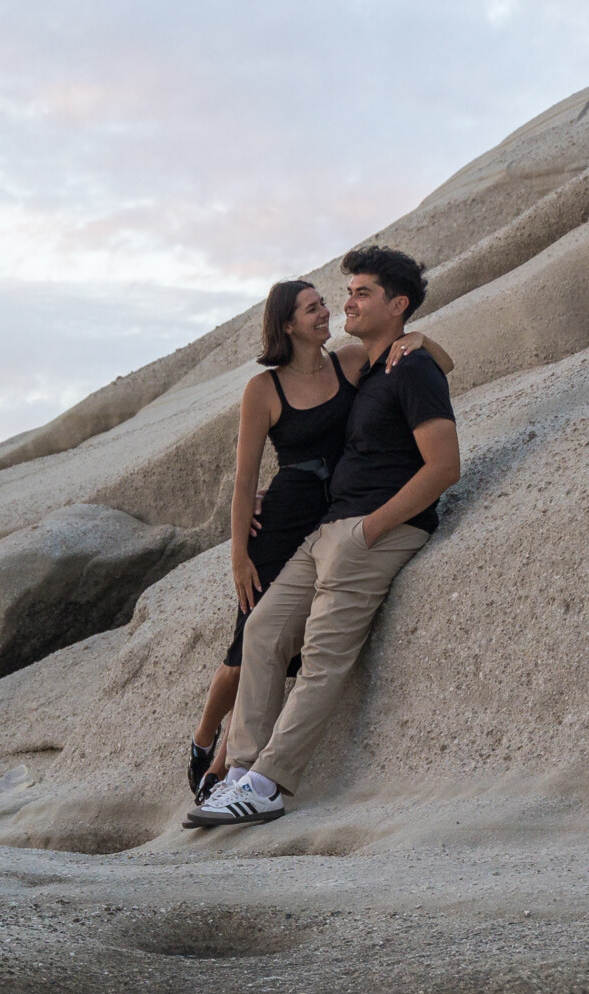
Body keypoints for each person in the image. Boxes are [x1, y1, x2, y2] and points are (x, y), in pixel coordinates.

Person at [190, 246, 461, 828]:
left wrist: (371, 529)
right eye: (342, 295)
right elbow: (250, 473)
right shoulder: (364, 365)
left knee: (322, 655)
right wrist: (242, 549)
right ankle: (237, 771)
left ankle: (268, 782)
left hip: (365, 531)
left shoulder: (401, 366)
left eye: (360, 293)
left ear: (397, 305)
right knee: (261, 629)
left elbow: (444, 465)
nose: (344, 305)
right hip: (320, 527)